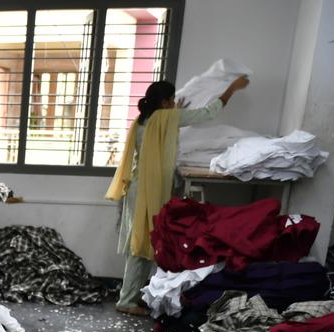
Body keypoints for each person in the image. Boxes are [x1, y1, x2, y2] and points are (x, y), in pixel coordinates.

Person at [106, 76, 249, 315]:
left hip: (137, 189)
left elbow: (162, 128)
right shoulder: (168, 118)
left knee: (141, 244)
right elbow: (208, 113)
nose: (174, 104)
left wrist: (174, 113)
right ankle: (127, 301)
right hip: (149, 191)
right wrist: (231, 89)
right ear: (164, 103)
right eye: (171, 100)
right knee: (144, 245)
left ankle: (134, 295)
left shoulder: (142, 121)